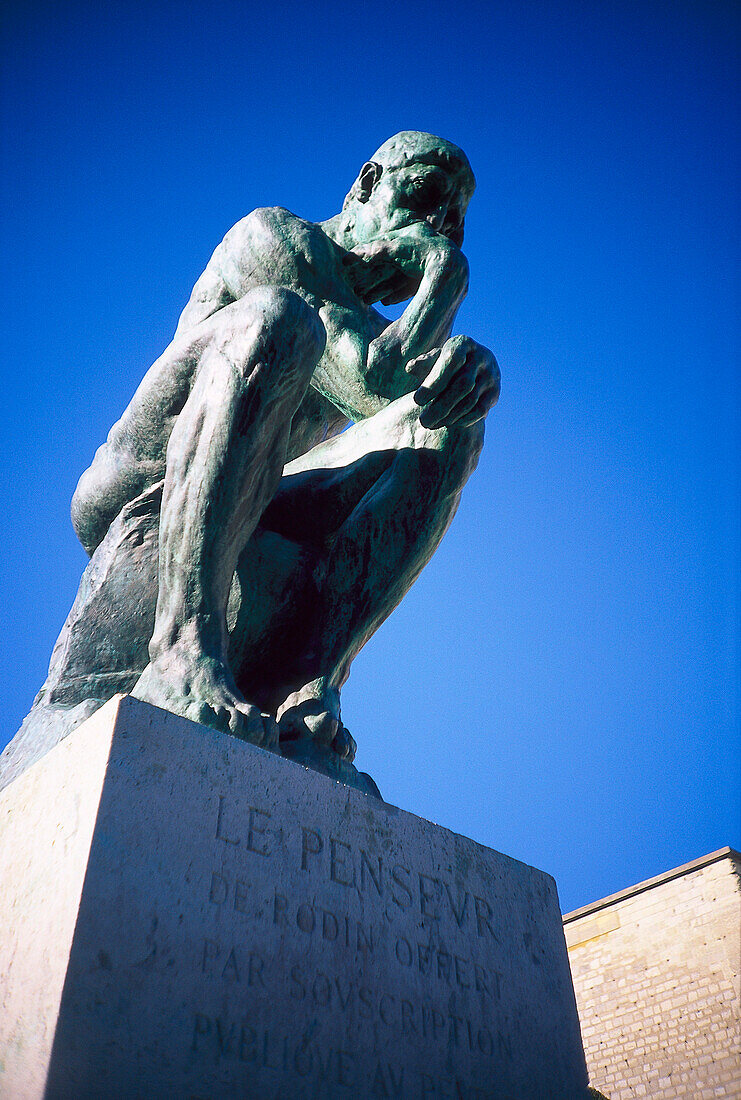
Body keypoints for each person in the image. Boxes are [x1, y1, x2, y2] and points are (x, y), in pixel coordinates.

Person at [2, 131, 500, 793]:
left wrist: (465, 375)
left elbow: (390, 381)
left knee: (450, 426)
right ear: (367, 182)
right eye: (424, 196)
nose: (435, 226)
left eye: (452, 222)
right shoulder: (276, 238)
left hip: (258, 493)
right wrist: (444, 278)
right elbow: (367, 380)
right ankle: (181, 650)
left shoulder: (368, 327)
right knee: (278, 320)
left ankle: (306, 688)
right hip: (146, 479)